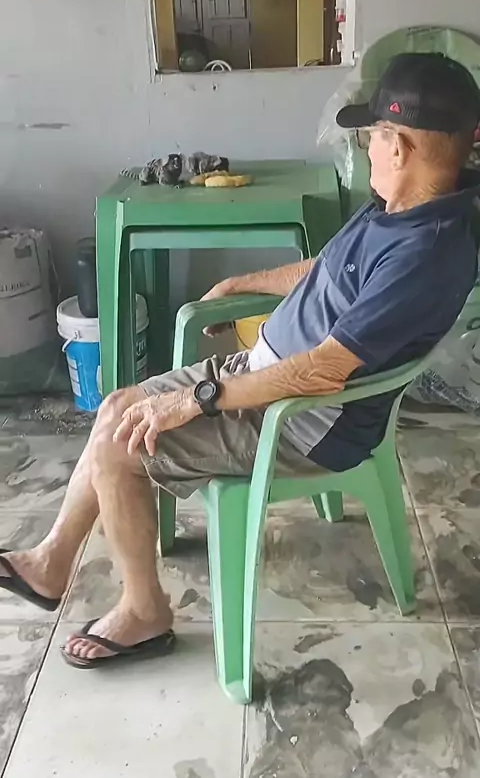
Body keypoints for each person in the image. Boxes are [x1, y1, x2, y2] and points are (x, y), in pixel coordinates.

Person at [1, 53, 480, 668]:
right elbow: (329, 270)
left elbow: (325, 370)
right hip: (264, 377)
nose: (367, 148)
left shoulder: (426, 253)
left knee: (121, 447)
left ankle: (145, 612)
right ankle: (51, 563)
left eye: (374, 135)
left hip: (304, 421)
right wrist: (242, 283)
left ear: (402, 146)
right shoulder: (399, 206)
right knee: (120, 404)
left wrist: (197, 399)